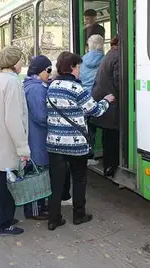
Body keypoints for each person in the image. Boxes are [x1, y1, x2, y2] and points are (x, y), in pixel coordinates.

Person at [46, 51, 114, 231]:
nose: (79, 71)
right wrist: (106, 101)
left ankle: (54, 219)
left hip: (55, 143)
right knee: (79, 179)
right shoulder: (78, 89)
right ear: (72, 68)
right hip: (76, 145)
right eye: (78, 67)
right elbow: (96, 111)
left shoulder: (51, 86)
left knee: (56, 182)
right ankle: (79, 214)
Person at [0, 45, 30, 235]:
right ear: (15, 62)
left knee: (2, 181)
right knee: (9, 184)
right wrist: (23, 147)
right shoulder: (13, 82)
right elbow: (14, 118)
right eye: (21, 60)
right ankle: (4, 223)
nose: (22, 64)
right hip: (8, 141)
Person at [23, 55, 52, 221]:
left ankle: (38, 206)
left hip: (34, 136)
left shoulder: (32, 85)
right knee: (36, 174)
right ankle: (34, 209)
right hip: (37, 138)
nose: (49, 74)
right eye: (48, 70)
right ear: (41, 71)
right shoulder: (36, 89)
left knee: (37, 172)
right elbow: (41, 116)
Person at [90, 35, 120, 177]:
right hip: (111, 102)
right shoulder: (118, 56)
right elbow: (119, 82)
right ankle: (111, 167)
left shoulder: (110, 54)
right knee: (112, 137)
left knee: (108, 136)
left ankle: (108, 165)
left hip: (103, 100)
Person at [79, 34, 105, 166]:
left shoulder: (83, 60)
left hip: (84, 97)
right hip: (98, 96)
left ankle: (88, 155)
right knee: (99, 126)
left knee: (87, 128)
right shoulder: (104, 59)